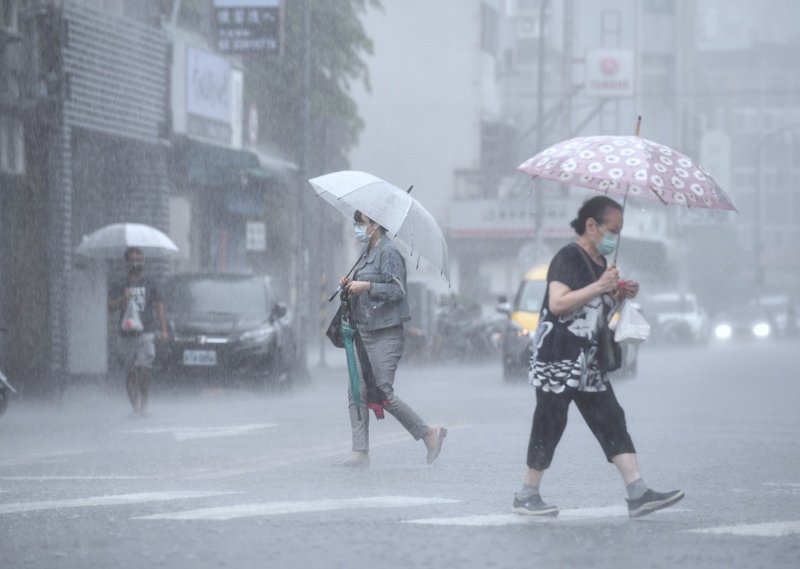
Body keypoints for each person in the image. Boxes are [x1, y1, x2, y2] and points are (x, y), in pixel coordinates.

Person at [512, 196, 683, 518]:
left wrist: (617, 295)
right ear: (591, 226)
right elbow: (559, 303)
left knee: (611, 419)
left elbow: (596, 313)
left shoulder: (602, 265)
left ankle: (637, 492)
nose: (614, 237)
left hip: (589, 362)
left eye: (618, 230)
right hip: (558, 360)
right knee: (550, 423)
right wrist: (599, 286)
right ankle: (526, 494)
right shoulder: (568, 257)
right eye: (612, 229)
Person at [335, 210, 447, 468]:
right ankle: (360, 451)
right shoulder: (367, 252)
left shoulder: (389, 252)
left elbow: (398, 290)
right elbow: (364, 283)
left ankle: (429, 433)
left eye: (360, 223)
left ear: (375, 224)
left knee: (383, 392)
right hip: (364, 331)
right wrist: (351, 283)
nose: (357, 228)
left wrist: (366, 286)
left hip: (386, 334)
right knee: (356, 389)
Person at [108, 247, 168, 417]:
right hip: (126, 334)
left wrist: (163, 329)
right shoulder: (120, 284)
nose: (136, 263)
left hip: (146, 332)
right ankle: (135, 406)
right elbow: (110, 307)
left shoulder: (151, 283)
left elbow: (159, 306)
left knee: (144, 368)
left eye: (139, 259)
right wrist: (122, 298)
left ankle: (145, 402)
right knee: (130, 372)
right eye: (133, 260)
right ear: (126, 262)